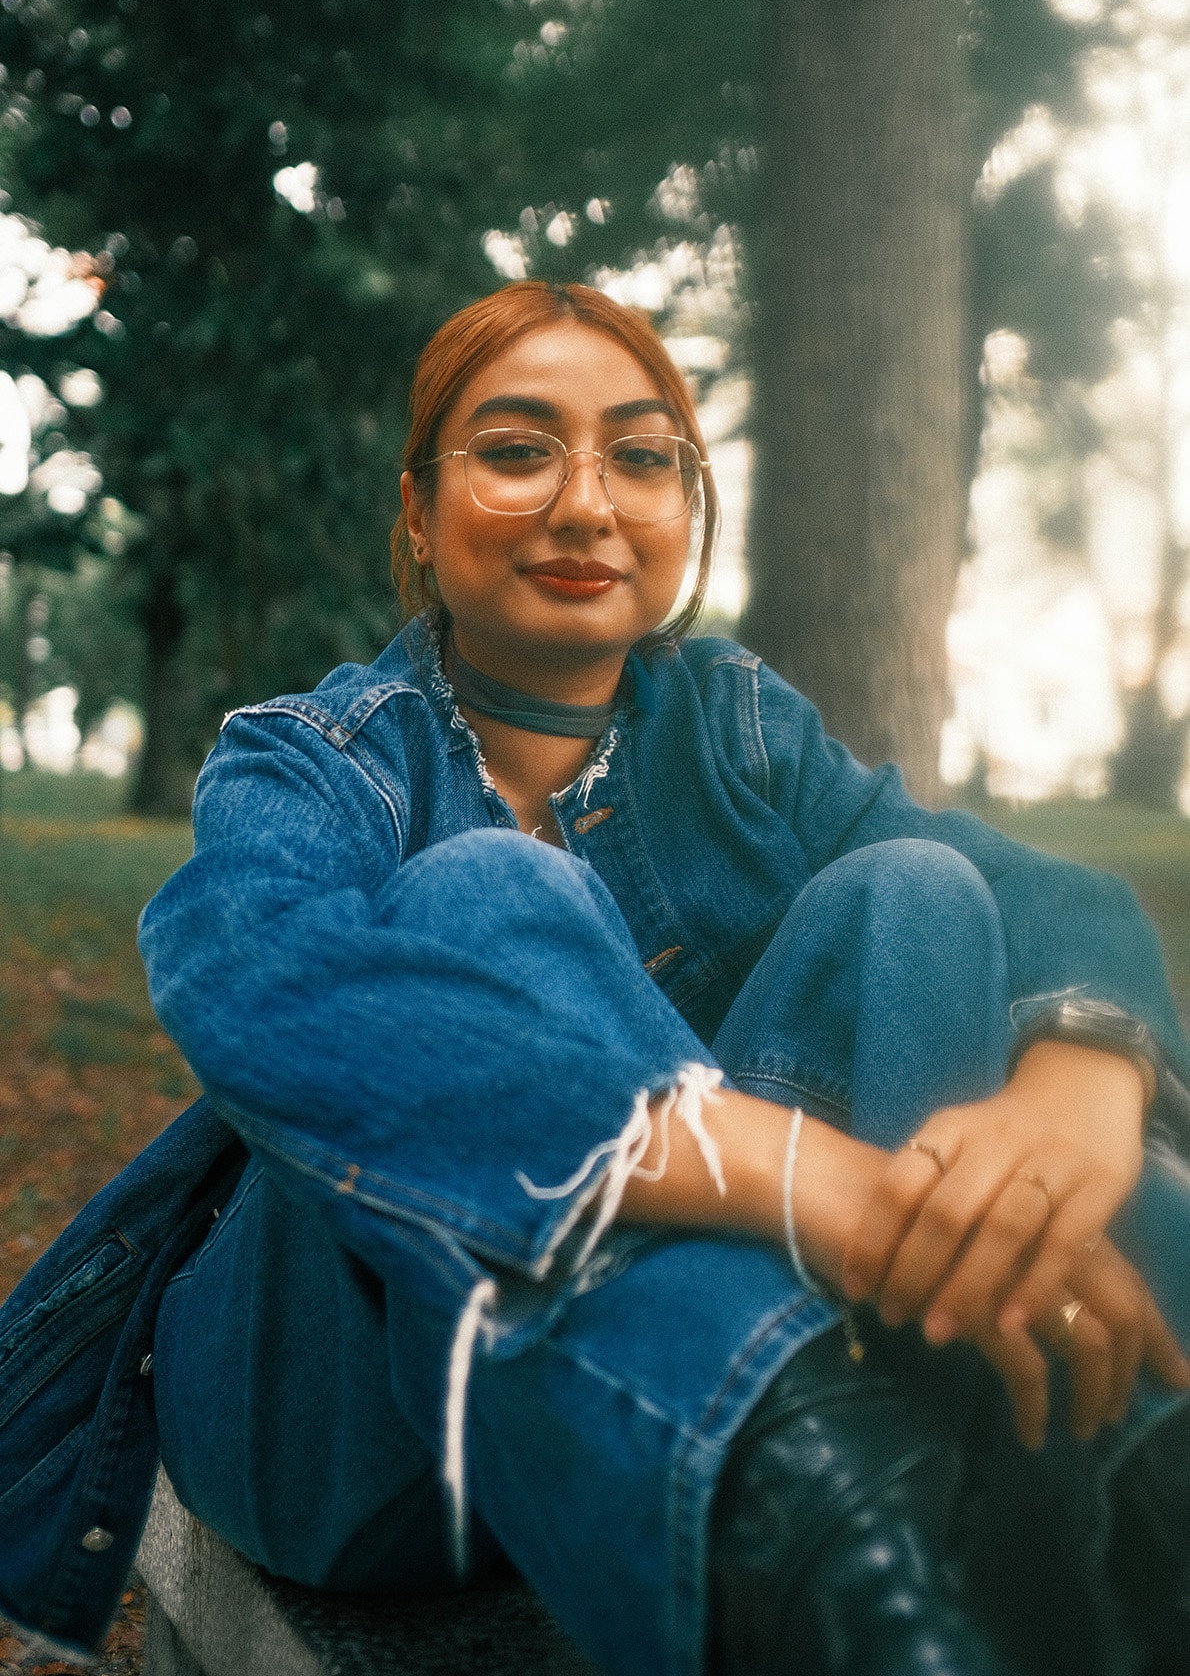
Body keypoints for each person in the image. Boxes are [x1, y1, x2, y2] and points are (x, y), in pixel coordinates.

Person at [2, 280, 1188, 1676]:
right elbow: (251, 977)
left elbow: (1035, 896)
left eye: (639, 455)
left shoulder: (737, 728)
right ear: (419, 515)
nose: (586, 503)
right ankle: (843, 1551)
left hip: (715, 1386)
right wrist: (834, 1192)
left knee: (912, 891)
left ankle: (1038, 1519)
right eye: (516, 451)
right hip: (345, 1415)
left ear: (686, 505)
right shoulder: (314, 756)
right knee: (490, 891)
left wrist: (1083, 1071)